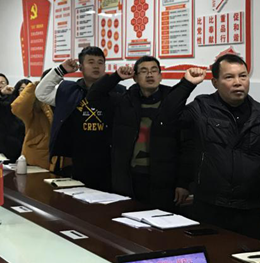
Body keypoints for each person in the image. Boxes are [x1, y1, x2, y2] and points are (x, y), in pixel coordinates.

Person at [181, 54, 260, 240]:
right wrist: (186, 85)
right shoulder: (202, 108)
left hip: (250, 209)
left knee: (248, 257)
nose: (238, 82)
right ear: (215, 82)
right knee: (210, 253)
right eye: (229, 77)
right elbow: (167, 119)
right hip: (210, 206)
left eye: (243, 76)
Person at [91, 56, 204, 210]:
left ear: (160, 76)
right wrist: (116, 77)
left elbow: (187, 146)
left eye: (154, 70)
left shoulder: (173, 102)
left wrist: (184, 183)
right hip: (128, 178)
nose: (150, 75)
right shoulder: (124, 101)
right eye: (144, 71)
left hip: (163, 180)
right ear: (135, 77)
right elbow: (93, 96)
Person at [36, 46, 125, 189]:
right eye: (91, 62)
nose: (96, 66)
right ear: (81, 67)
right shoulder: (69, 91)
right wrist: (61, 70)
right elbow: (41, 93)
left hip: (109, 157)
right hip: (78, 157)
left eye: (100, 62)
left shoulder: (118, 91)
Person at [11, 76, 54, 169]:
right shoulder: (35, 105)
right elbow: (17, 108)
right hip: (37, 156)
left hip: (60, 157)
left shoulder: (64, 102)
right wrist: (33, 86)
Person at [0, 78, 27, 161]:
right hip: (9, 150)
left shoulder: (36, 109)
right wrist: (1, 93)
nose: (24, 92)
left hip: (29, 150)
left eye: (27, 90)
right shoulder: (8, 106)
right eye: (21, 89)